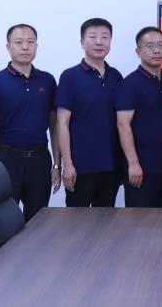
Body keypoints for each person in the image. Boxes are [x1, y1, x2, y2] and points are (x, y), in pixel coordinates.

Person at [0, 24, 59, 221]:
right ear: (8, 47)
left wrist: (57, 164)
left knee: (38, 220)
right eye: (19, 42)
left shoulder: (47, 80)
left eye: (30, 42)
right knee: (5, 220)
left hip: (40, 159)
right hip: (7, 159)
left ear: (36, 46)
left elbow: (55, 126)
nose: (25, 47)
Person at [55, 18, 123, 207]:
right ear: (82, 42)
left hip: (111, 166)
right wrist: (67, 164)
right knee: (77, 222)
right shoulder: (70, 76)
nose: (99, 42)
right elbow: (62, 124)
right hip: (80, 167)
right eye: (93, 37)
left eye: (105, 37)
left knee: (106, 220)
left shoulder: (116, 76)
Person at [116, 27, 162, 207]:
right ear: (138, 52)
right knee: (138, 220)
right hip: (141, 168)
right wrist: (133, 163)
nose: (156, 51)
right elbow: (123, 125)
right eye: (150, 46)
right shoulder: (130, 83)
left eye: (160, 45)